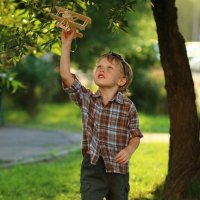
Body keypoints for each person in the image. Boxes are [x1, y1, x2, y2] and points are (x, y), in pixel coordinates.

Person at [60, 29, 143, 200]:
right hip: (93, 166)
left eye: (109, 68)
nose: (102, 69)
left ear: (121, 80)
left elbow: (136, 135)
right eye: (99, 66)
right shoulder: (87, 99)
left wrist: (129, 150)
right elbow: (66, 77)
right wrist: (66, 43)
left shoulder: (128, 107)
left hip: (118, 169)